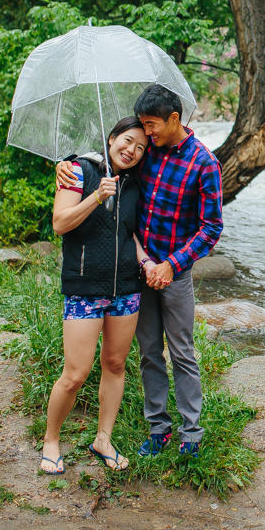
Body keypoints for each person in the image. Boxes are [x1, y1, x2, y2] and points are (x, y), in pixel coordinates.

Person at [56, 84, 223, 458]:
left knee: (181, 352)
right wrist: (66, 164)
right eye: (143, 127)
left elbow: (211, 228)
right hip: (139, 271)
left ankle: (191, 432)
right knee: (149, 352)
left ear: (174, 119)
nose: (146, 134)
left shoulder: (204, 163)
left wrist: (171, 265)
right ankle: (159, 427)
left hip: (173, 273)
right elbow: (111, 158)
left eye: (152, 125)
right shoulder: (149, 155)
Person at [40, 116, 151, 475]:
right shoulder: (78, 170)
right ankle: (51, 441)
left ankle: (103, 438)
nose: (131, 150)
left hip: (126, 291)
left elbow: (129, 232)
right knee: (75, 374)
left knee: (115, 365)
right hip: (84, 289)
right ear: (112, 137)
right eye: (127, 140)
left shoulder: (135, 184)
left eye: (140, 147)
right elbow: (60, 223)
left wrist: (146, 261)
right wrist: (96, 196)